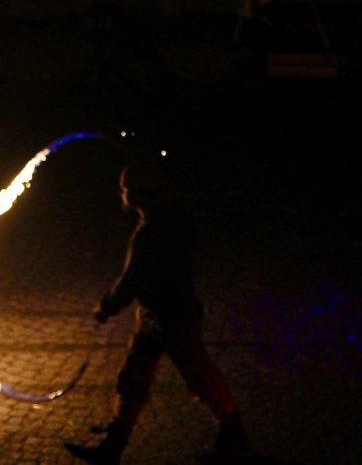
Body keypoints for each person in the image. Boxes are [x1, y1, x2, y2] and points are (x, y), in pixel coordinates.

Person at [65, 157, 249, 464]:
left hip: (173, 316)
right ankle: (114, 444)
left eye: (126, 189)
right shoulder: (171, 219)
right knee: (133, 377)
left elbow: (131, 279)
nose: (121, 193)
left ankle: (234, 437)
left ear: (140, 194)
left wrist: (106, 307)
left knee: (200, 377)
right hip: (152, 317)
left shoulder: (150, 233)